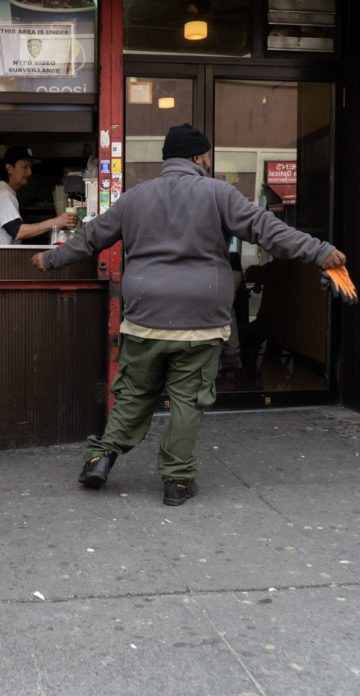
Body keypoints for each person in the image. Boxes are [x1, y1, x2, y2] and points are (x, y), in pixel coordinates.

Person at [32, 123, 352, 506]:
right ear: (199, 157)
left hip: (145, 317)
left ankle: (101, 459)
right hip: (200, 323)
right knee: (187, 401)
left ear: (167, 159)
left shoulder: (136, 197)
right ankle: (176, 483)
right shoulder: (219, 194)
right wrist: (319, 251)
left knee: (134, 394)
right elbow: (267, 230)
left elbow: (90, 238)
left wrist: (51, 259)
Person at [0, 144, 76, 244]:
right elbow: (18, 232)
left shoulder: (2, 190)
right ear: (9, 168)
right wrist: (56, 222)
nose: (30, 172)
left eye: (30, 167)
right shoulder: (3, 193)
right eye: (25, 167)